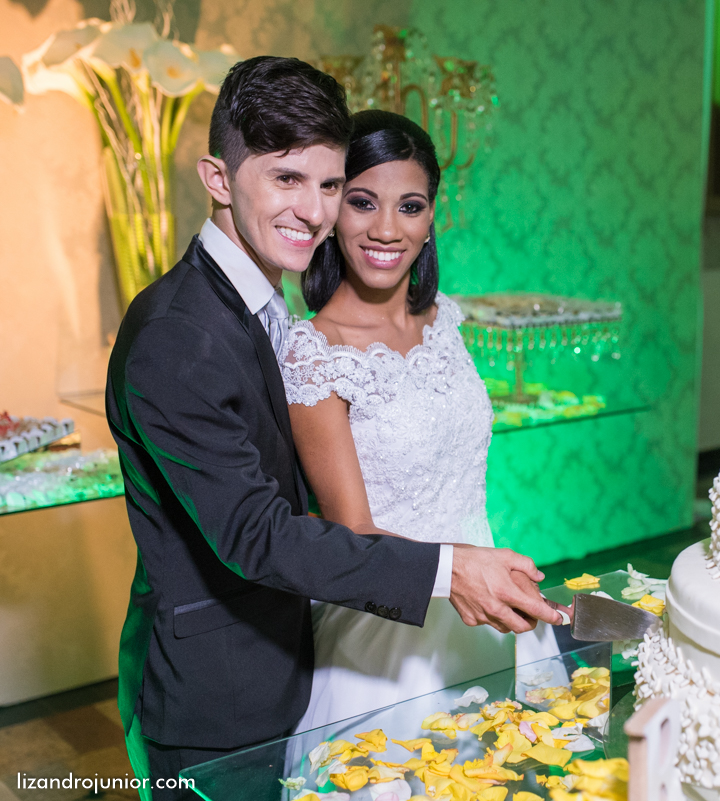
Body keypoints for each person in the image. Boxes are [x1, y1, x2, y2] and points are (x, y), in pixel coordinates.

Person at [105, 57, 567, 799]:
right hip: (218, 701)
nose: (315, 211)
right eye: (288, 179)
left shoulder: (262, 305)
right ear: (218, 179)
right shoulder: (177, 333)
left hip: (300, 655)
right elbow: (260, 533)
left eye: (326, 185)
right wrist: (453, 569)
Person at [280, 109, 561, 731]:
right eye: (362, 202)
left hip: (488, 613)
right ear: (331, 210)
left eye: (409, 206)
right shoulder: (314, 353)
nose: (386, 229)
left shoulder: (446, 320)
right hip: (387, 643)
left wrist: (488, 570)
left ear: (433, 216)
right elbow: (350, 533)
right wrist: (459, 568)